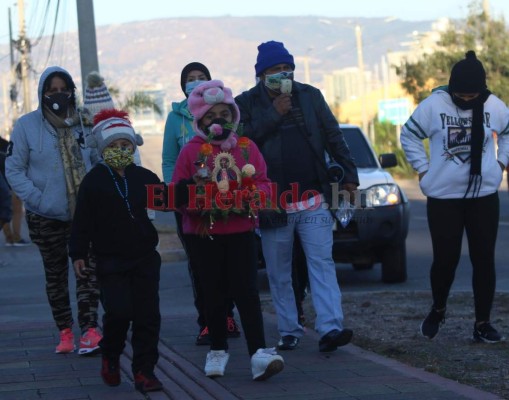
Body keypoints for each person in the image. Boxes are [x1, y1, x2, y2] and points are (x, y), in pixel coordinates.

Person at [235, 40, 359, 352]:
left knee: (322, 262)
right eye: (275, 70)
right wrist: (274, 113)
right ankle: (289, 329)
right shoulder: (246, 103)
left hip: (313, 197)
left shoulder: (310, 95)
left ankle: (331, 327)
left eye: (287, 68)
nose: (283, 74)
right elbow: (241, 142)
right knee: (279, 271)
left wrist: (349, 176)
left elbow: (333, 135)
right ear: (262, 75)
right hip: (272, 202)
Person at [172, 80, 284, 380]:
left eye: (224, 113)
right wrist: (199, 197)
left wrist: (251, 195)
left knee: (247, 292)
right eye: (210, 116)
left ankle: (259, 353)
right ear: (200, 119)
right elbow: (177, 193)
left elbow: (263, 182)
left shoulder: (247, 148)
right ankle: (218, 350)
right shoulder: (190, 152)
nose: (218, 120)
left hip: (241, 231)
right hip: (203, 235)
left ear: (233, 115)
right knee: (213, 293)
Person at [400, 50, 509, 343]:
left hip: (483, 195)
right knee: (445, 259)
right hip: (443, 198)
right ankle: (438, 309)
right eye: (461, 95)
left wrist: (501, 164)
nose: (467, 100)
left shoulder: (494, 106)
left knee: (483, 259)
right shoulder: (434, 105)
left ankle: (483, 323)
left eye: (473, 96)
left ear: (482, 90)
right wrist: (423, 168)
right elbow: (408, 135)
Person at [5, 66, 102, 355]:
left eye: (64, 89)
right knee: (56, 274)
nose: (58, 95)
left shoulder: (84, 123)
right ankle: (65, 331)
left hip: (85, 216)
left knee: (88, 272)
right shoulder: (26, 126)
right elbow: (14, 169)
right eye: (52, 90)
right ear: (42, 93)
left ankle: (90, 330)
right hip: (45, 216)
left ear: (72, 90)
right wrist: (38, 199)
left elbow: (98, 159)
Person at [69, 109, 164, 393]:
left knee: (148, 317)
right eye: (113, 146)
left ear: (133, 147)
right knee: (119, 313)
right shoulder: (94, 181)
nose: (120, 151)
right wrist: (78, 253)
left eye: (125, 145)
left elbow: (168, 199)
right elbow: (82, 220)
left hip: (145, 259)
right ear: (103, 149)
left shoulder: (144, 176)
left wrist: (191, 190)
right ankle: (110, 354)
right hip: (110, 261)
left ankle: (144, 371)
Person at [162, 62, 240, 346]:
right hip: (191, 203)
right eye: (190, 79)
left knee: (226, 263)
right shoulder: (174, 118)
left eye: (201, 78)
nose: (196, 82)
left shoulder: (220, 112)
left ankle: (227, 316)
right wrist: (176, 196)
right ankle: (207, 321)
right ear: (183, 86)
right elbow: (170, 160)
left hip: (223, 198)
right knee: (199, 265)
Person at [0, 136, 29, 246]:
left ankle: (9, 238)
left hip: (4, 186)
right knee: (17, 212)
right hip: (10, 185)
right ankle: (16, 238)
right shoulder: (6, 145)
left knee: (3, 213)